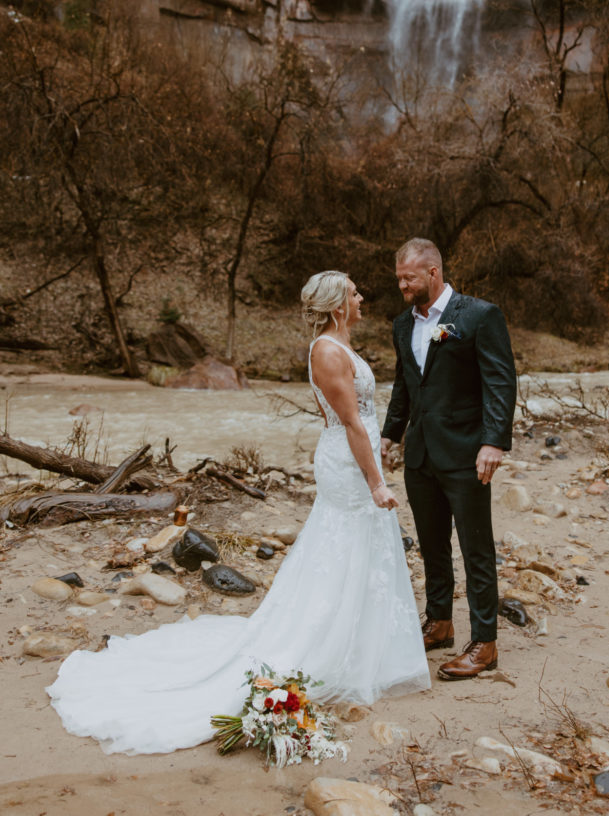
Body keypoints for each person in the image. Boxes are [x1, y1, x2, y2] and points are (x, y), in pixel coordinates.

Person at [47, 270, 429, 754]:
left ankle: (365, 647)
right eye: (354, 292)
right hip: (350, 466)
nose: (361, 296)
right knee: (345, 543)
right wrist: (376, 481)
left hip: (352, 458)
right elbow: (351, 421)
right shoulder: (327, 351)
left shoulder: (337, 346)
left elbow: (354, 419)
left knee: (357, 546)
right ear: (337, 305)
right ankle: (332, 646)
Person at [381, 238, 516, 680]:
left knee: (476, 547)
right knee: (431, 542)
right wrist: (389, 434)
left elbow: (500, 381)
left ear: (433, 274)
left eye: (409, 277)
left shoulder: (478, 315)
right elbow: (406, 384)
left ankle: (485, 643)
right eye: (399, 277)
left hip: (466, 452)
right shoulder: (403, 324)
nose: (402, 284)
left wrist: (493, 442)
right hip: (420, 453)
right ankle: (439, 622)